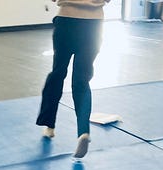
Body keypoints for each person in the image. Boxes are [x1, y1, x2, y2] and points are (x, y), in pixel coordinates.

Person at [36, 0, 111, 158]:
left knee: (57, 73)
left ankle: (49, 126)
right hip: (94, 24)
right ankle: (83, 131)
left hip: (67, 20)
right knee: (82, 80)